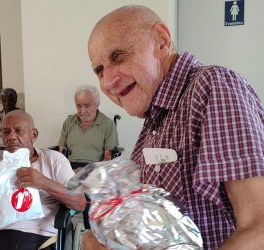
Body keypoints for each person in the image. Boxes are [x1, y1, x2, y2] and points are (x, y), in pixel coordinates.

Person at [87, 4, 264, 249]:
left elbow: (259, 227)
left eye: (118, 56)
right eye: (99, 70)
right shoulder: (153, 123)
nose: (108, 81)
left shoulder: (212, 87)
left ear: (162, 40)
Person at [0, 110, 86, 250]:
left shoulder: (54, 160)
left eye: (18, 131)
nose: (12, 136)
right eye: (6, 132)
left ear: (33, 135)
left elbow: (80, 203)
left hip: (43, 240)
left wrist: (43, 183)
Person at [58, 84, 118, 171]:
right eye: (78, 106)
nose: (82, 111)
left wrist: (86, 171)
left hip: (95, 169)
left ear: (97, 104)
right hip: (69, 168)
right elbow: (61, 155)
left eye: (87, 106)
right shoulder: (68, 122)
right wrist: (66, 170)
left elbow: (107, 159)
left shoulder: (108, 124)